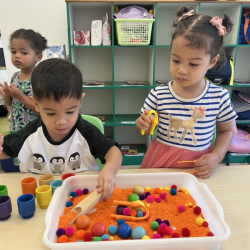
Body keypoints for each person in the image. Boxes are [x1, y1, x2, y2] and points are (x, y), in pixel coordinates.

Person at [0, 58, 122, 201]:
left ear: (80, 102)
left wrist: (108, 171)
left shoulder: (86, 132)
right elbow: (5, 152)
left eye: (70, 112)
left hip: (82, 198)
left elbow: (114, 152)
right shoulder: (31, 134)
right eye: (51, 113)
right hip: (43, 200)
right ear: (36, 104)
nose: (61, 122)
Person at [136, 7, 237, 179]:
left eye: (194, 64)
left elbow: (226, 131)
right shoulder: (158, 94)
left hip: (197, 167)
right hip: (160, 163)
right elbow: (146, 131)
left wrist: (216, 156)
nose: (182, 70)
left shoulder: (219, 97)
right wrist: (143, 124)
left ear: (212, 61)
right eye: (176, 60)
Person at [0, 29, 48, 167]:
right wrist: (7, 94)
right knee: (20, 154)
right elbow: (10, 105)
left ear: (38, 57)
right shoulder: (15, 76)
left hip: (33, 126)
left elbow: (40, 109)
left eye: (24, 52)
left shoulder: (39, 79)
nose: (17, 56)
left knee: (35, 156)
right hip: (17, 124)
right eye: (14, 52)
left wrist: (20, 96)